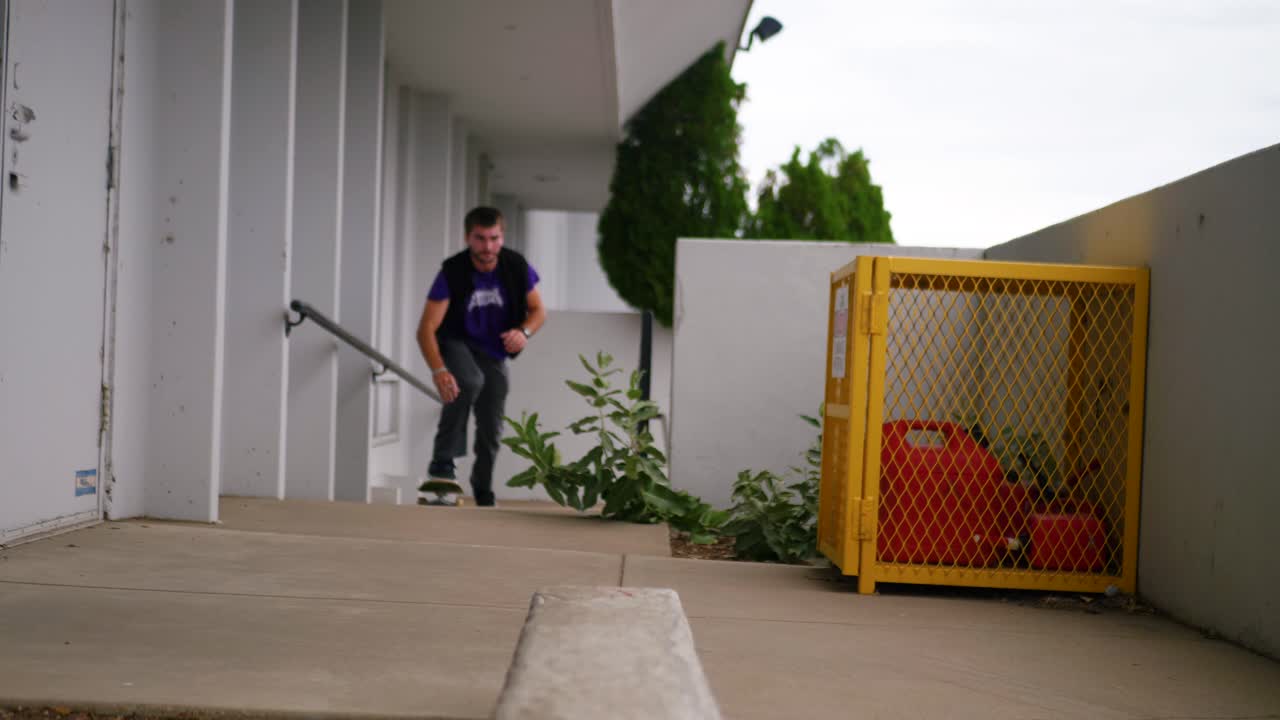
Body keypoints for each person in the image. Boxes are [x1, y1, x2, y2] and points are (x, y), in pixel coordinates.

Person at [416, 206, 545, 506]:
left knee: (491, 422)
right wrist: (438, 371)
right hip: (456, 341)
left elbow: (539, 311)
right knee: (469, 381)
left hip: (493, 350)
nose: (487, 247)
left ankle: (483, 487)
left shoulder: (516, 266)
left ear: (502, 237)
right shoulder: (452, 271)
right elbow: (426, 329)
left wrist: (523, 333)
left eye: (494, 238)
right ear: (467, 238)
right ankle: (442, 464)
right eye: (480, 238)